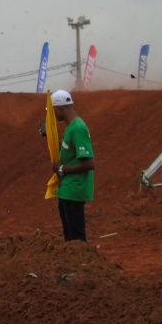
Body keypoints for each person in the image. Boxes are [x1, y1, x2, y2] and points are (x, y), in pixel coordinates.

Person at [50, 90, 95, 242]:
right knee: (69, 237)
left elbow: (89, 163)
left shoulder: (77, 129)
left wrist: (62, 169)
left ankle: (83, 265)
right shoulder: (71, 128)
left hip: (74, 190)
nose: (53, 114)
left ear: (60, 108)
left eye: (54, 110)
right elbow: (68, 155)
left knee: (76, 238)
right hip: (67, 190)